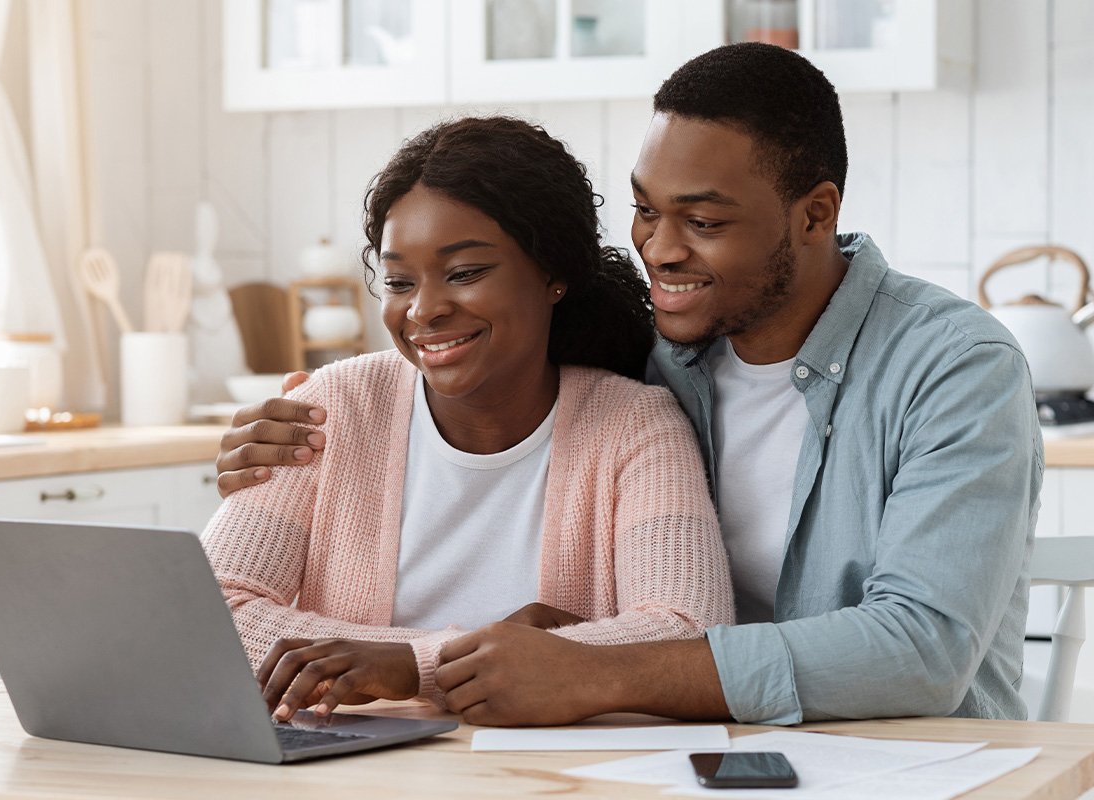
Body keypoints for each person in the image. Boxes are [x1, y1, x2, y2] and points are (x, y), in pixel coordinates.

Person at [216, 43, 1042, 727]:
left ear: (816, 214)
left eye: (704, 222)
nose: (661, 249)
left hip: (916, 763)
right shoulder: (656, 356)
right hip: (702, 755)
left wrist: (590, 672)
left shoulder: (954, 368)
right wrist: (267, 454)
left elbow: (920, 653)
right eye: (647, 211)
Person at [201, 115, 734, 722]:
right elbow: (210, 610)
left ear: (553, 273)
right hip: (357, 771)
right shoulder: (335, 406)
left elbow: (690, 635)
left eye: (466, 273)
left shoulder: (635, 426)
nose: (424, 310)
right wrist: (450, 656)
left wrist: (406, 667)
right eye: (400, 281)